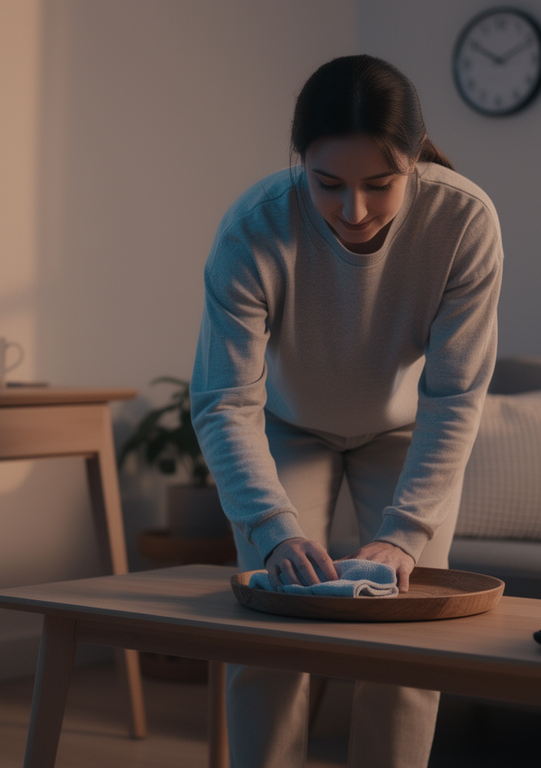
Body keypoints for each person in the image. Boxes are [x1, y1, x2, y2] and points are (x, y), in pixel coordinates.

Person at [189, 54, 504, 768]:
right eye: (328, 184)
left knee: (408, 630)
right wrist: (271, 531)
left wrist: (405, 533)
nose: (353, 211)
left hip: (401, 434)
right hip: (289, 429)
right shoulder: (253, 227)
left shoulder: (464, 221)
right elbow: (224, 400)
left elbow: (455, 395)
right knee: (271, 623)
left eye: (380, 184)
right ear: (300, 163)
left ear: (415, 163)